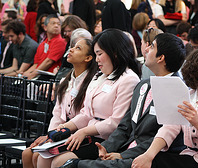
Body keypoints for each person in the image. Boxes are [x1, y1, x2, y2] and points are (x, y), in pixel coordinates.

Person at [59, 32, 186, 168]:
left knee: (73, 165)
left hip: (151, 156)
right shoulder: (144, 84)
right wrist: (106, 148)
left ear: (160, 58)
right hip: (125, 149)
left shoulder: (177, 90)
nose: (146, 49)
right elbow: (125, 126)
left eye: (152, 47)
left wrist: (123, 155)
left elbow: (162, 137)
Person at [36, 28, 141, 167]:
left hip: (107, 140)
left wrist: (83, 131)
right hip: (88, 135)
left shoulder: (129, 79)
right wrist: (63, 128)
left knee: (59, 161)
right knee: (42, 156)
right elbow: (86, 113)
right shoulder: (100, 75)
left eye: (99, 54)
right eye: (96, 54)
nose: (96, 59)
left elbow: (116, 122)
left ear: (114, 53)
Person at [132, 47, 198, 168]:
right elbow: (169, 128)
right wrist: (148, 155)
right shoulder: (188, 96)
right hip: (188, 156)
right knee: (154, 159)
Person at [22, 36, 98, 168]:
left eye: (78, 48)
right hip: (61, 132)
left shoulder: (93, 82)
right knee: (27, 154)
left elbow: (85, 115)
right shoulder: (65, 81)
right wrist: (51, 135)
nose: (72, 50)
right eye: (72, 46)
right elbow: (57, 112)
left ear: (88, 58)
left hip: (78, 132)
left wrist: (59, 132)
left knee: (39, 157)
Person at [23, 14, 66, 80]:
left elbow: (48, 62)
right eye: (53, 23)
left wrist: (32, 74)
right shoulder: (42, 44)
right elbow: (36, 64)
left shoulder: (61, 41)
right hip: (39, 75)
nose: (56, 26)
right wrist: (25, 74)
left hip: (49, 78)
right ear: (45, 27)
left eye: (58, 24)